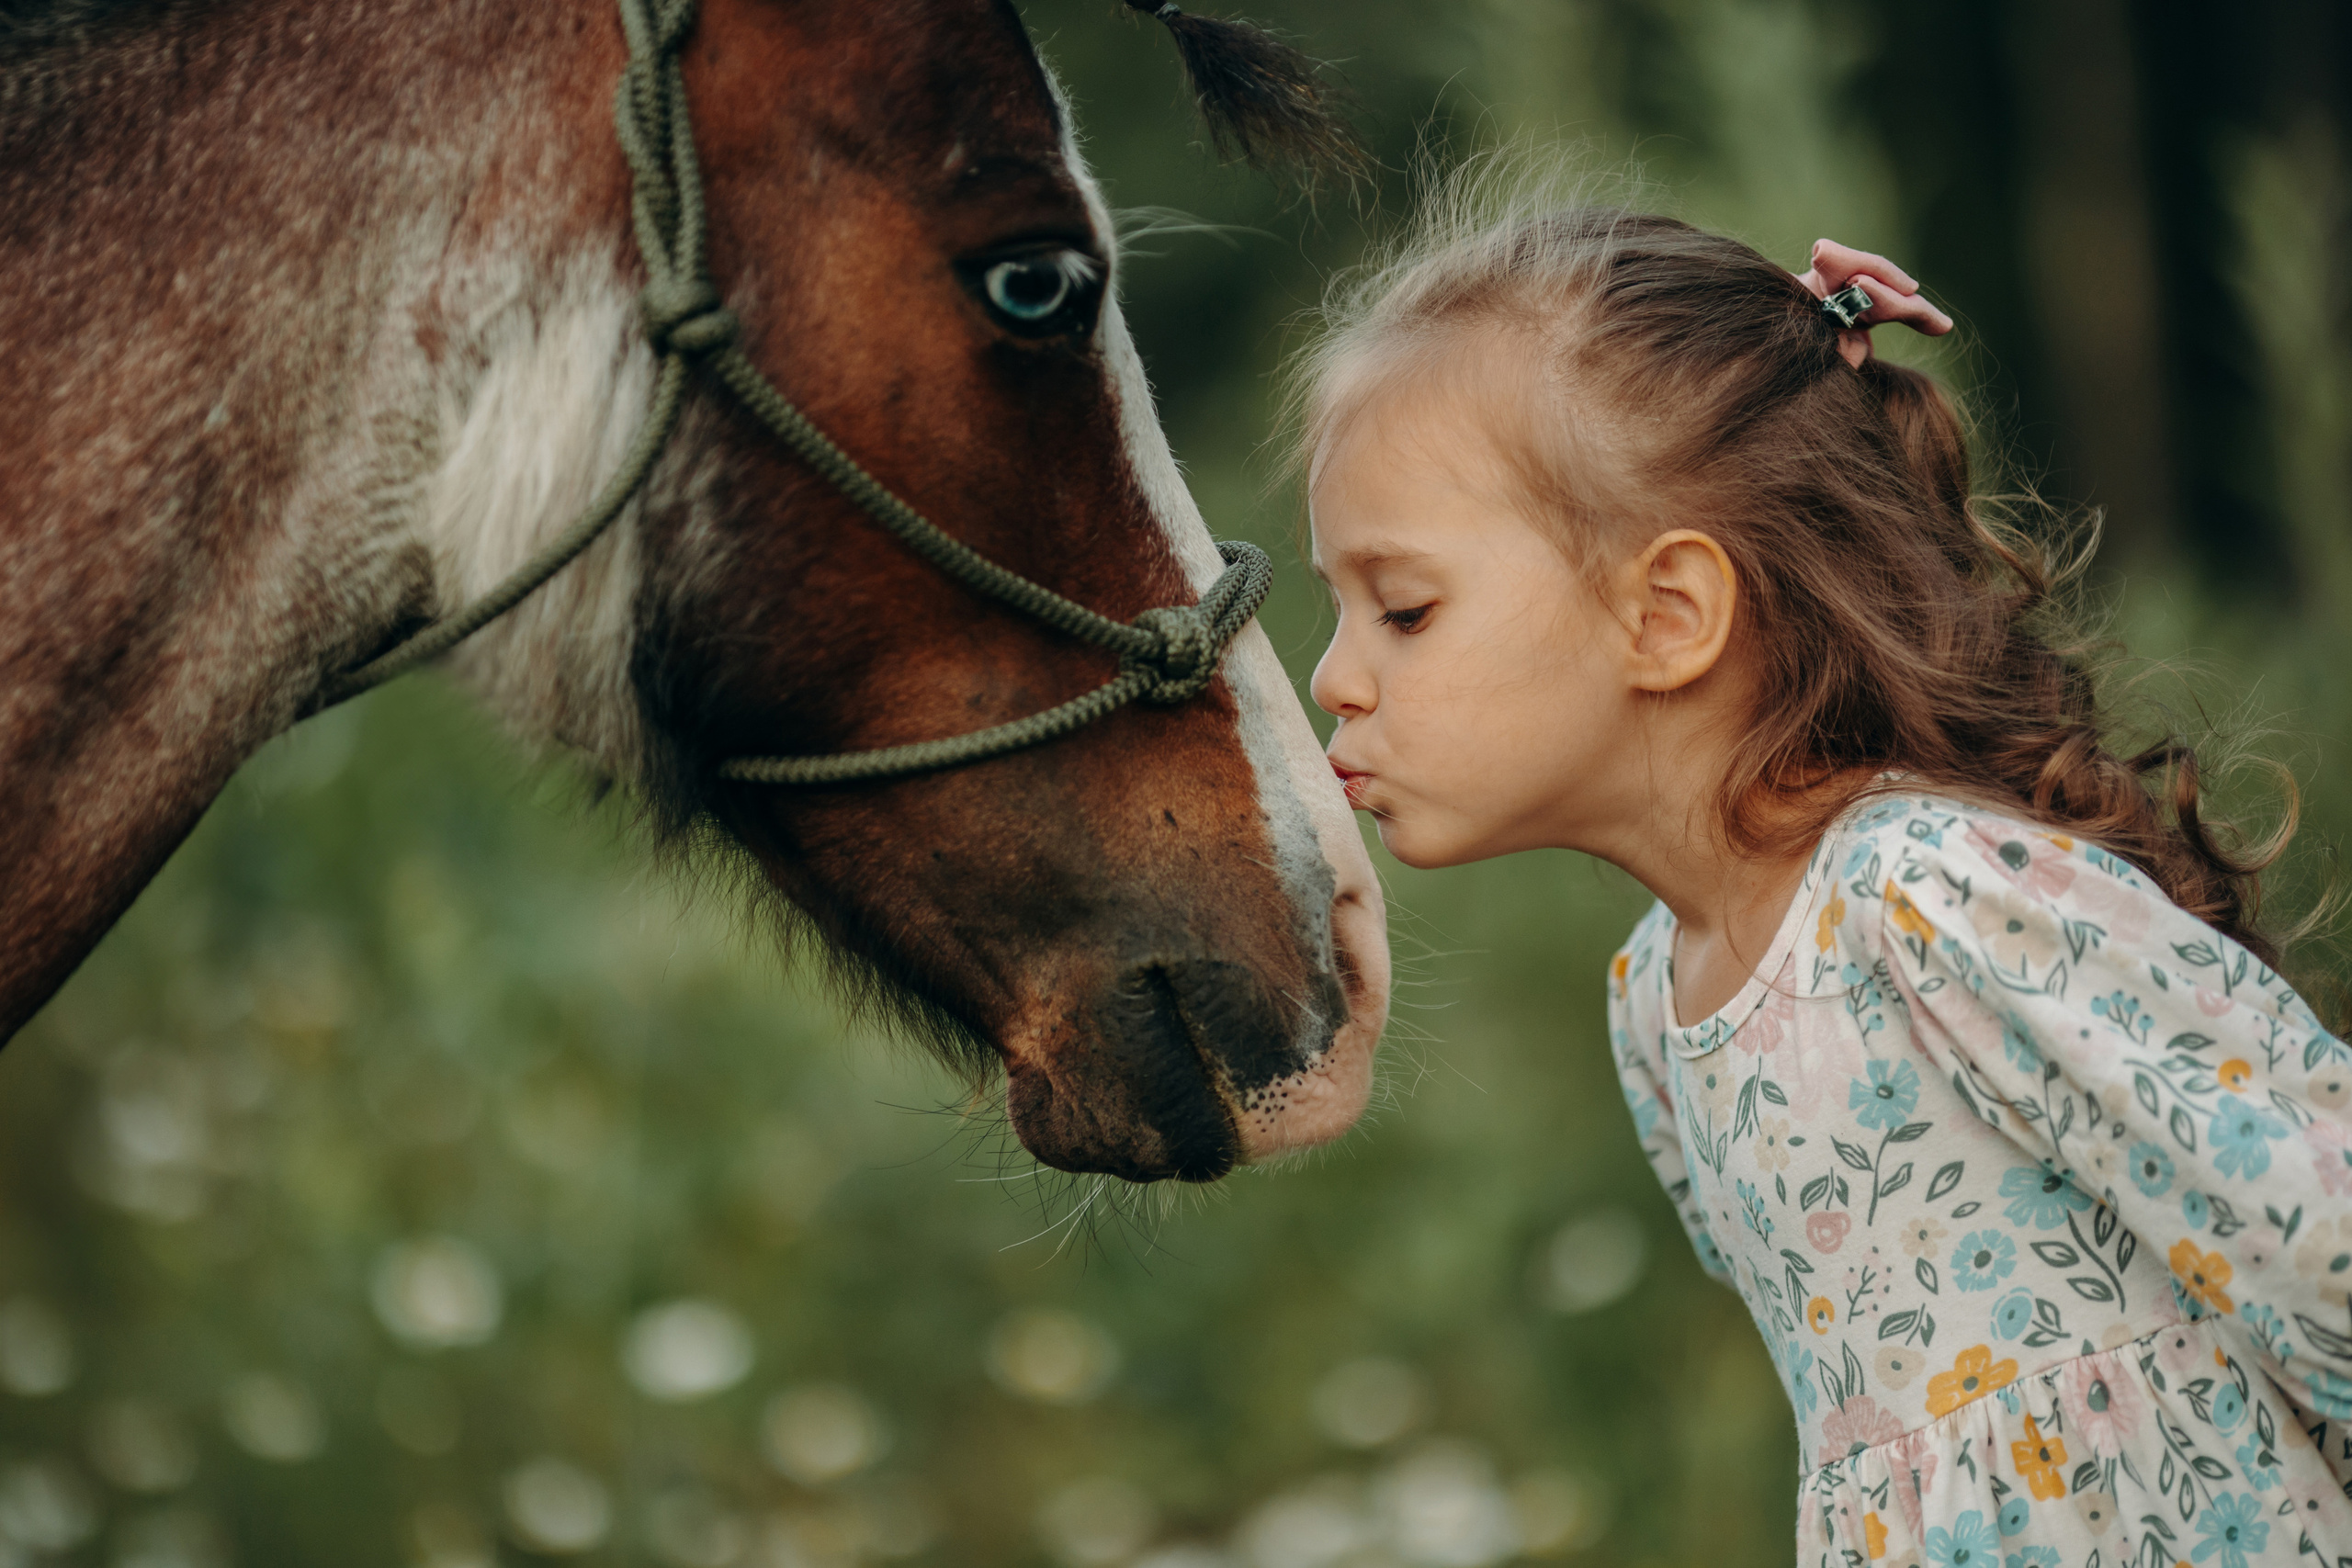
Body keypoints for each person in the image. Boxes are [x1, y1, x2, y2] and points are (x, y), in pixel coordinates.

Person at [1295, 172, 2352, 1565]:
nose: (1332, 677)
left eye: (1404, 608)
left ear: (1668, 613)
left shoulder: (1933, 892)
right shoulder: (1656, 1011)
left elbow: (2319, 1239)